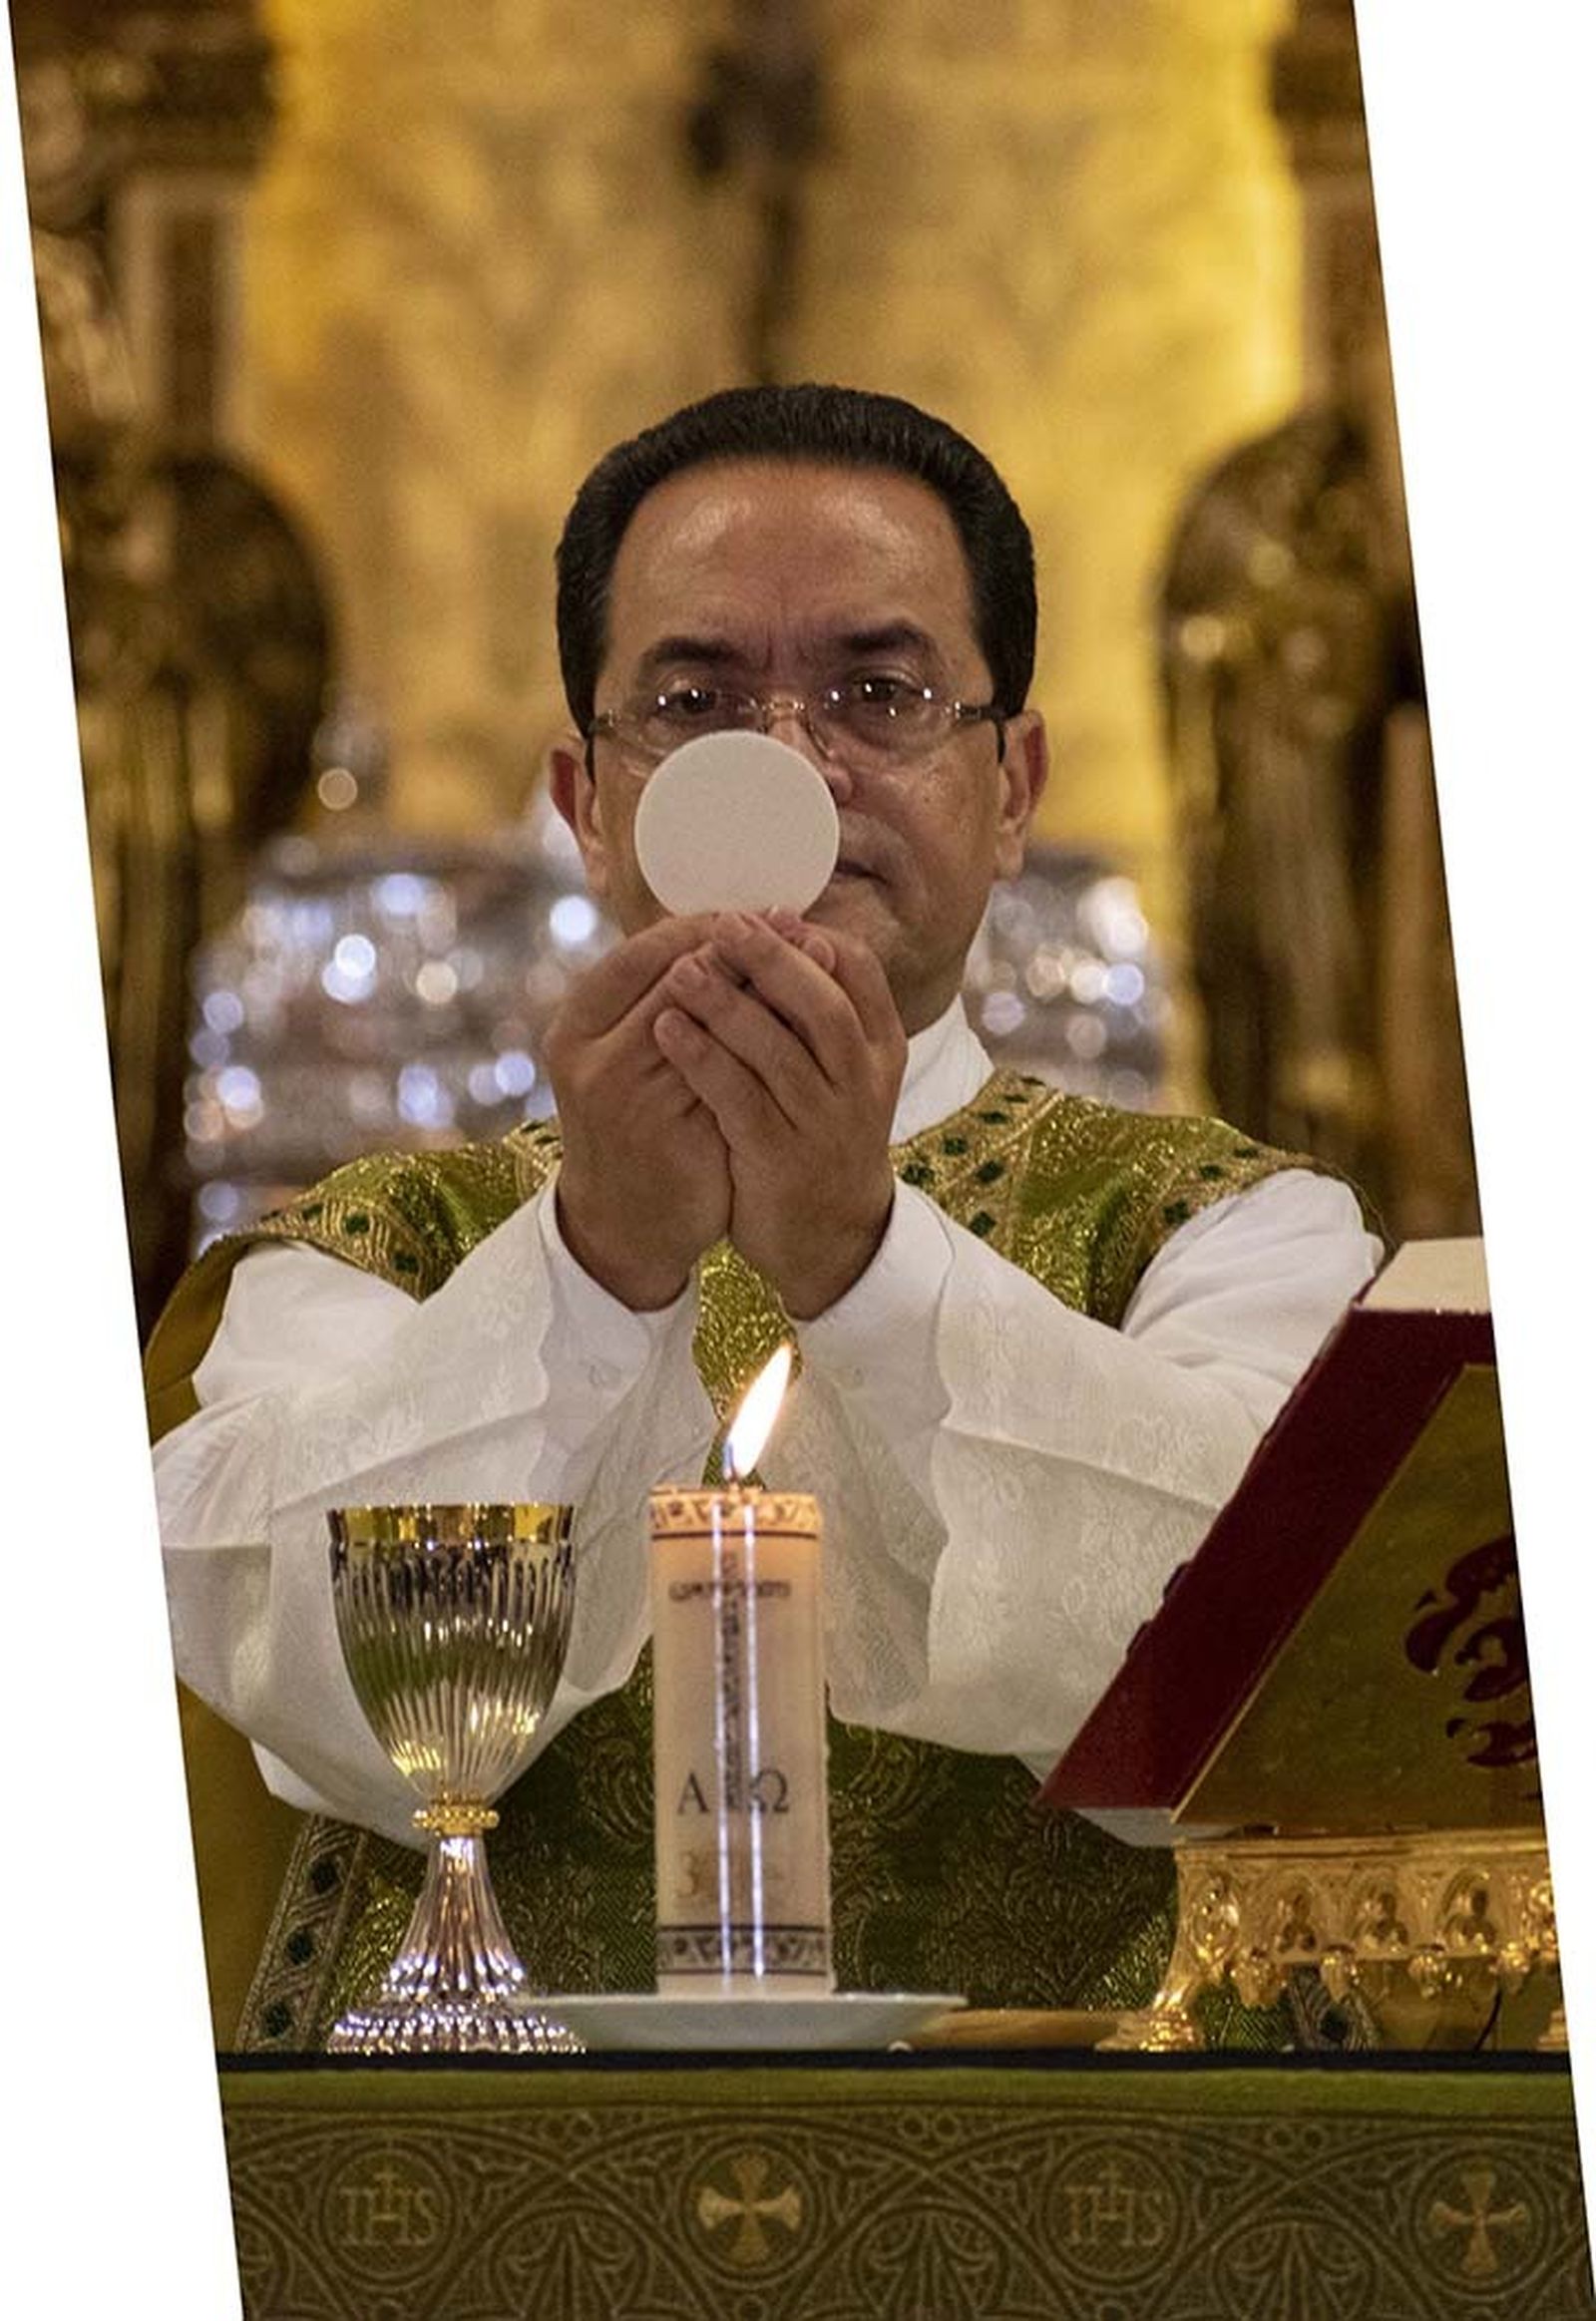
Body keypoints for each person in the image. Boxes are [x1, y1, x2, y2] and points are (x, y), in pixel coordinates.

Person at [148, 384, 1382, 2045]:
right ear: (588, 803)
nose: (791, 768)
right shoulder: (369, 1257)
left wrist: (864, 1262)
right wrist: (596, 1261)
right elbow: (313, 1703)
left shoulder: (1236, 1234)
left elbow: (1278, 1698)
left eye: (880, 693)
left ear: (1011, 788)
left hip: (1089, 2172)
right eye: (696, 701)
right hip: (475, 2175)